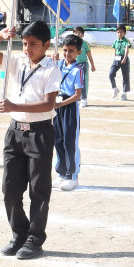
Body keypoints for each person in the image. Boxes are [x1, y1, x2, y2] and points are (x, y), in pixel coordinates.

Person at [0, 21, 61, 260]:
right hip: (15, 133)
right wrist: (0, 35)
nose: (28, 49)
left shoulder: (51, 69)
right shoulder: (17, 63)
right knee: (10, 188)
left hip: (40, 134)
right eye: (25, 44)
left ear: (46, 44)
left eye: (33, 44)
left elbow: (48, 104)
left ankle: (35, 239)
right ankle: (19, 234)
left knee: (38, 190)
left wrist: (13, 106)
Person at [53, 34, 84, 191]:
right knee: (58, 139)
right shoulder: (58, 64)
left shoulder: (77, 70)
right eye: (65, 50)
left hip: (69, 106)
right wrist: (52, 58)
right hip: (57, 105)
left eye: (71, 51)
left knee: (69, 141)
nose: (67, 54)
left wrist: (61, 104)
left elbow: (77, 95)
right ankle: (61, 172)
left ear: (78, 52)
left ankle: (72, 175)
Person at [71, 27, 95, 108]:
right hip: (74, 64)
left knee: (83, 82)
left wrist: (93, 65)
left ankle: (84, 99)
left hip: (82, 64)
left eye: (79, 33)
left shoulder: (85, 44)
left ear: (83, 35)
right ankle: (77, 98)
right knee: (74, 82)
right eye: (76, 33)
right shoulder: (71, 43)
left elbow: (89, 55)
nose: (77, 34)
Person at [109, 24, 130, 101]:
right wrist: (115, 57)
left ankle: (125, 93)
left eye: (121, 32)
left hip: (124, 58)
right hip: (117, 59)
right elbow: (115, 49)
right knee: (111, 74)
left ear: (124, 33)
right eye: (118, 32)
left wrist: (124, 58)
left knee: (125, 76)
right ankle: (115, 89)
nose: (119, 34)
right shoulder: (116, 41)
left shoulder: (126, 41)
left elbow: (126, 49)